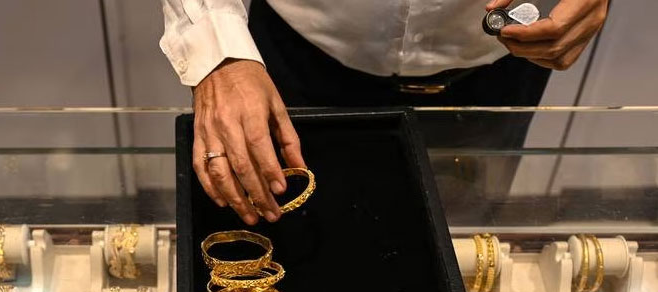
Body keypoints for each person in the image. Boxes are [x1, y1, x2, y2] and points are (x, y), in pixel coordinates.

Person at [160, 0, 609, 225]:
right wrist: (215, 47)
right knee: (287, 230)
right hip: (290, 54)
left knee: (462, 229)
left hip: (500, 59)